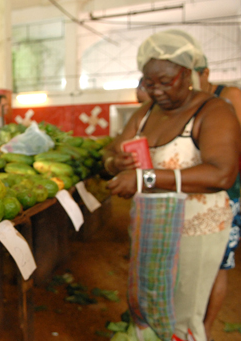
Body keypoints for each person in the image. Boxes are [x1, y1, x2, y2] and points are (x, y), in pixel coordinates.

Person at [104, 30, 241, 341]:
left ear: (188, 74)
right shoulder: (147, 112)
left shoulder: (214, 111)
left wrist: (145, 178)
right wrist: (115, 163)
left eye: (166, 82)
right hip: (151, 225)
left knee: (184, 310)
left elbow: (222, 175)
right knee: (151, 301)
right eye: (150, 83)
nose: (157, 91)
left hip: (197, 228)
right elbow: (112, 150)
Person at [197, 57, 241, 340]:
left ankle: (206, 329)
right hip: (192, 194)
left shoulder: (229, 97)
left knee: (217, 262)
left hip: (227, 192)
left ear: (206, 73)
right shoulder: (187, 102)